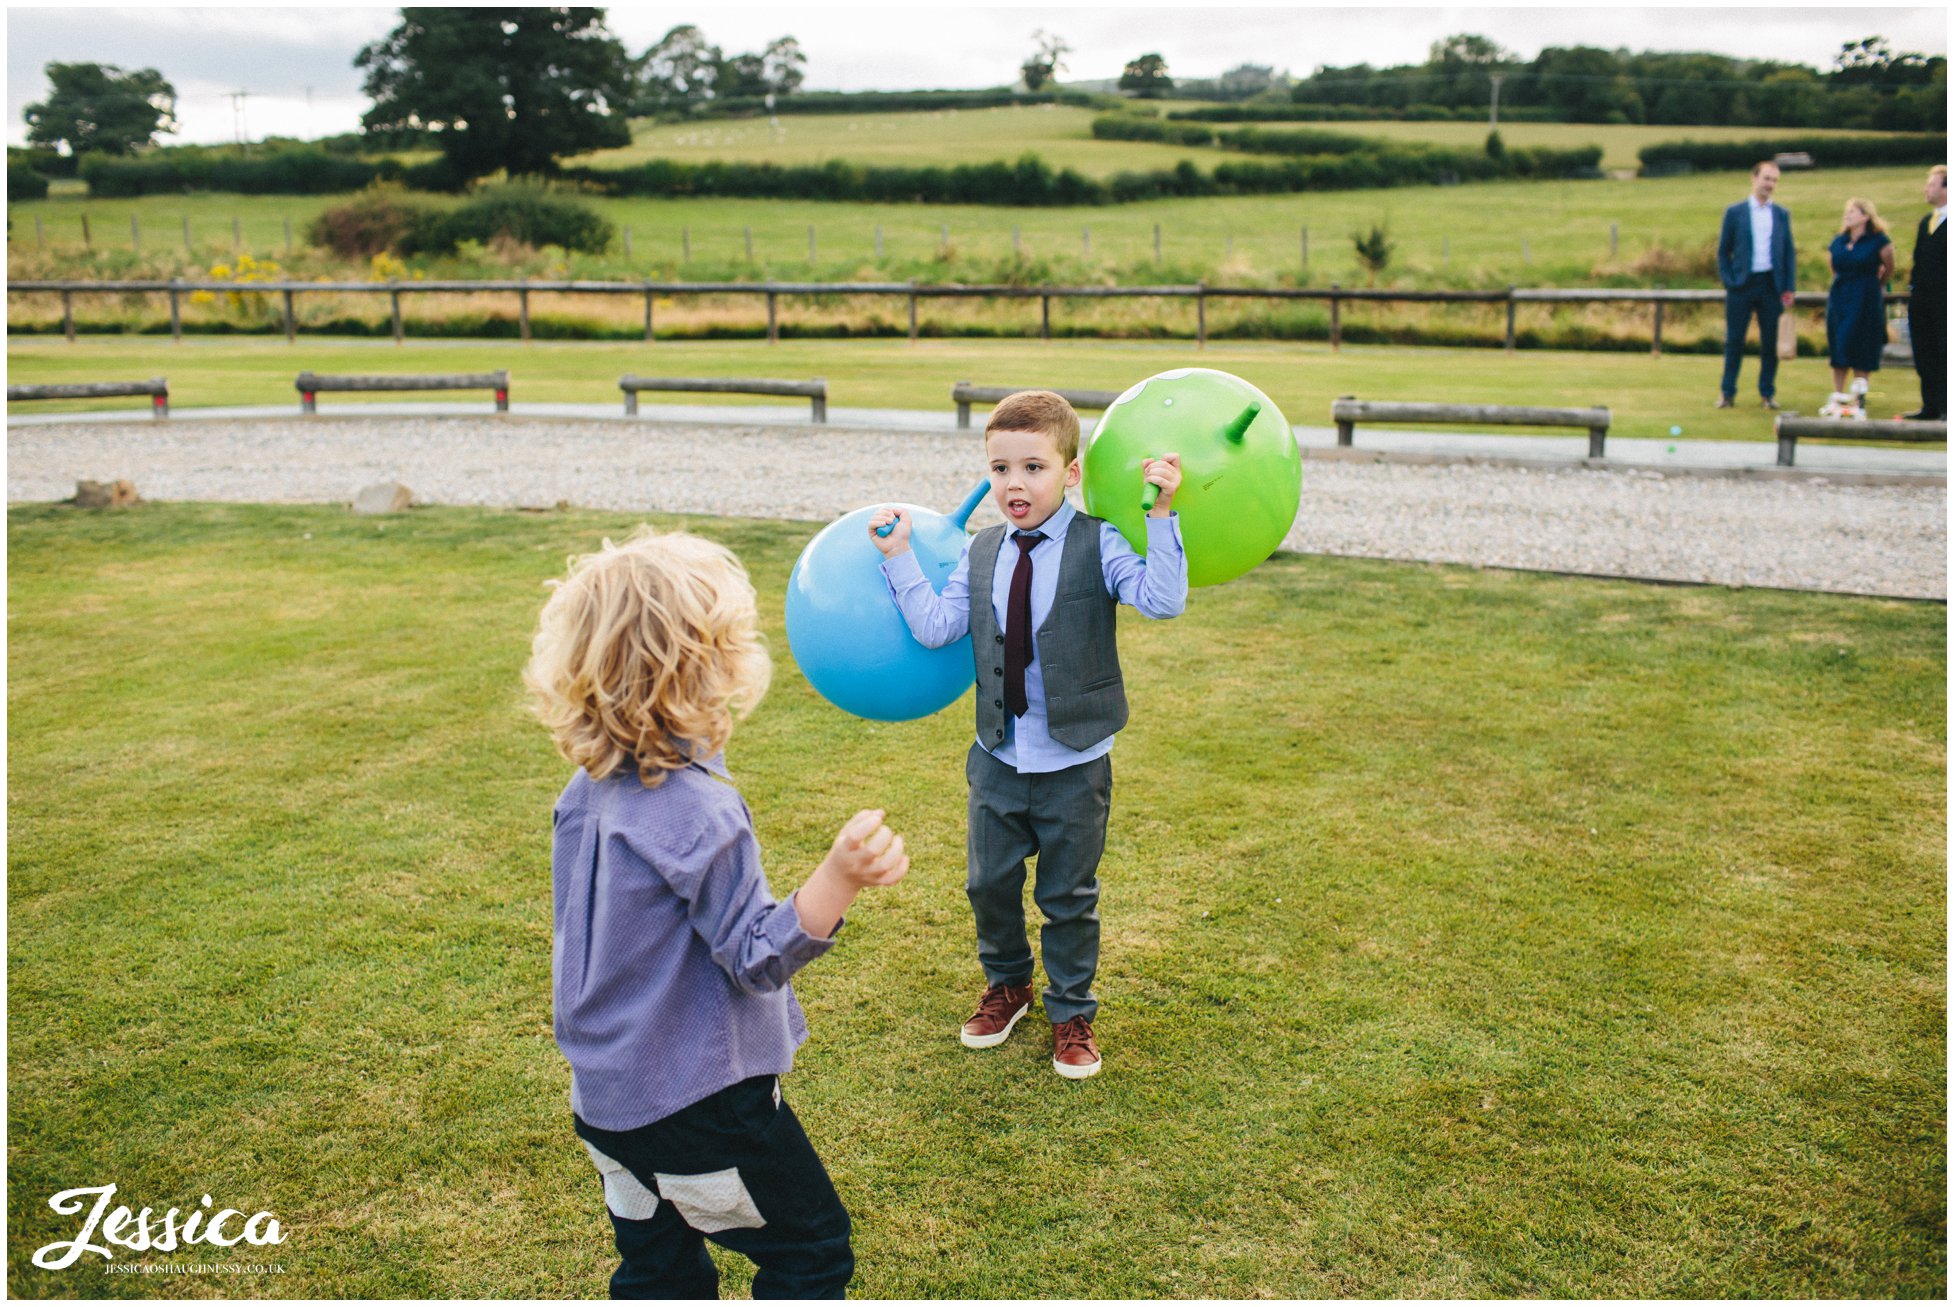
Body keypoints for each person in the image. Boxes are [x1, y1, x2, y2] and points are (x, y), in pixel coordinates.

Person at [526, 528, 910, 1300]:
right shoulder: (701, 811)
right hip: (700, 1102)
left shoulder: (589, 786)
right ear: (704, 667)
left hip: (606, 1098)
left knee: (659, 1268)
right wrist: (839, 878)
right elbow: (754, 955)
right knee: (809, 1251)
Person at [866, 390, 1186, 1080]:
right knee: (988, 883)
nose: (1015, 483)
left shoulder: (1100, 542)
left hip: (1076, 761)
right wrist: (897, 555)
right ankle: (1008, 985)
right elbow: (933, 626)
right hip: (998, 757)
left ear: (1069, 473)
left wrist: (1160, 514)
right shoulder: (982, 551)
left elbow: (1162, 600)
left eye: (1033, 467)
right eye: (1001, 468)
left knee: (1067, 894)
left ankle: (1071, 1011)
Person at [1716, 160, 1797, 409]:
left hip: (1771, 285)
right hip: (1742, 284)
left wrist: (1788, 287)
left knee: (1771, 342)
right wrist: (1730, 281)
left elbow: (1788, 253)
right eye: (1767, 178)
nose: (1770, 184)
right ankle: (1728, 393)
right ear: (1754, 179)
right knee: (1734, 340)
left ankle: (1767, 393)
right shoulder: (1735, 212)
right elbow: (1723, 252)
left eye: (1774, 180)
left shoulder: (1781, 214)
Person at [1819, 198, 1898, 417]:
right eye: (1847, 211)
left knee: (1862, 342)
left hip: (1865, 296)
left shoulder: (1878, 240)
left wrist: (1878, 284)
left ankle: (1859, 396)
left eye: (1853, 211)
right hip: (1841, 295)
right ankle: (1837, 395)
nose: (1848, 215)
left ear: (1865, 216)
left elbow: (1889, 264)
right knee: (1839, 341)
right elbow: (1833, 265)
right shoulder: (1839, 240)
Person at [1904, 164, 1946, 420]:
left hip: (1945, 297)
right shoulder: (1926, 222)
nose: (1926, 189)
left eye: (1931, 184)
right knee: (1924, 349)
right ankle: (1930, 405)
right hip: (1923, 297)